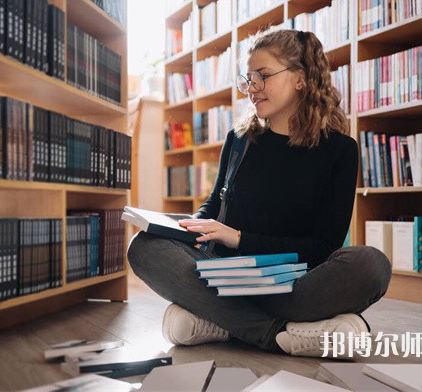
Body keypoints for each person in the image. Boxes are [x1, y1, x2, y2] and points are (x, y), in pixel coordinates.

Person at [127, 28, 391, 358]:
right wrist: (185, 228)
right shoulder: (240, 140)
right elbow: (215, 205)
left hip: (291, 284)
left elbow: (325, 246)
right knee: (143, 247)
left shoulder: (340, 150)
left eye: (263, 76)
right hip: (226, 276)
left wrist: (238, 238)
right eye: (249, 78)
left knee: (372, 264)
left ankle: (223, 322)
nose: (252, 88)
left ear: (300, 78)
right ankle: (276, 332)